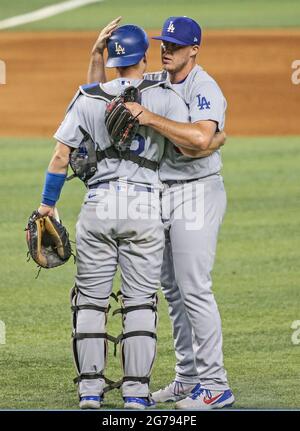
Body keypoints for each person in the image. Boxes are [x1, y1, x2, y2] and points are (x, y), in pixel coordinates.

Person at [36, 24, 193, 410]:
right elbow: (191, 145)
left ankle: (90, 390)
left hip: (98, 208)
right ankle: (136, 394)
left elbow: (60, 157)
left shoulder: (87, 97)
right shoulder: (166, 97)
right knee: (140, 302)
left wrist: (46, 205)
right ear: (144, 57)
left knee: (90, 301)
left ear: (109, 58)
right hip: (144, 210)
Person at [88, 16, 234, 409]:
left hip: (196, 194)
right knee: (173, 290)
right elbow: (100, 94)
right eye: (163, 43)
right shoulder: (156, 80)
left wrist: (151, 118)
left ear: (194, 50)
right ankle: (188, 379)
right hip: (160, 194)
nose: (166, 50)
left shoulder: (203, 87)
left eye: (175, 45)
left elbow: (201, 140)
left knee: (194, 287)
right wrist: (98, 55)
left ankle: (216, 384)